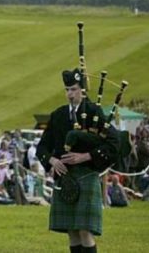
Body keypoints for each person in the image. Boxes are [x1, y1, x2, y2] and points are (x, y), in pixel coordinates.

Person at [36, 68, 118, 253]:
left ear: (82, 90)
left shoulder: (93, 111)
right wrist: (52, 160)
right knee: (72, 231)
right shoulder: (58, 115)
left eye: (73, 89)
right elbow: (42, 147)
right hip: (65, 178)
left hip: (87, 175)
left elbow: (113, 144)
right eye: (67, 90)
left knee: (84, 230)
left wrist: (86, 156)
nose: (70, 94)